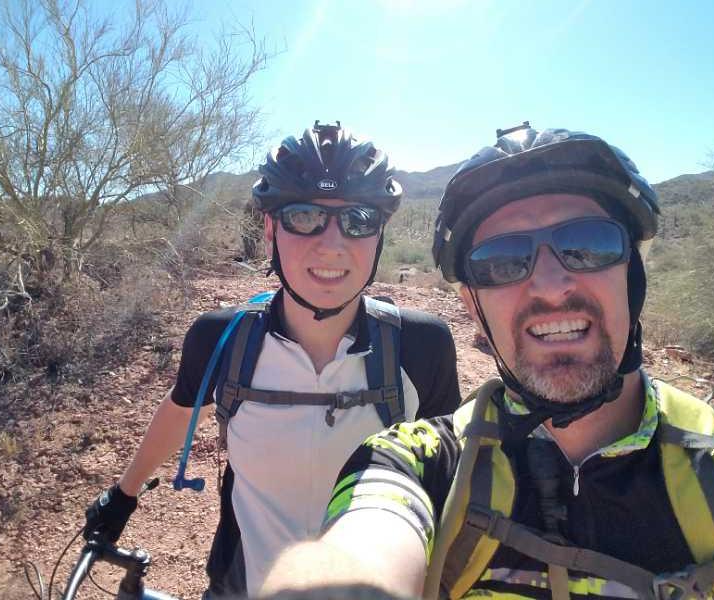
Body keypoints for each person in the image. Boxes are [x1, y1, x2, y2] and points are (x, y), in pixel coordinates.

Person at [262, 124, 714, 600]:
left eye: (588, 246)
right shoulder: (424, 462)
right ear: (472, 307)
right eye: (502, 262)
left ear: (633, 272)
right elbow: (367, 538)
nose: (550, 285)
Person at [81, 121, 461, 597]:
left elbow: (452, 474)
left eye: (359, 220)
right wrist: (122, 496)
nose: (332, 243)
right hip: (244, 582)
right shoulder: (221, 339)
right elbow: (181, 410)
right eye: (304, 217)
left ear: (378, 236)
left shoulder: (421, 346)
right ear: (269, 229)